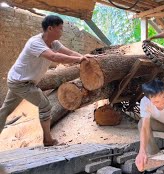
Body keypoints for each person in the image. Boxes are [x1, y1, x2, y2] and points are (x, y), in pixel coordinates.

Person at [0, 15, 94, 146]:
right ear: (50, 28)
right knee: (45, 105)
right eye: (60, 29)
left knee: (4, 111)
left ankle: (47, 139)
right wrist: (79, 60)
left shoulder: (54, 43)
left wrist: (84, 57)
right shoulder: (35, 43)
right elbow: (54, 57)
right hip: (20, 83)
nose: (62, 31)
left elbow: (69, 52)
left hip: (17, 80)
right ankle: (48, 140)